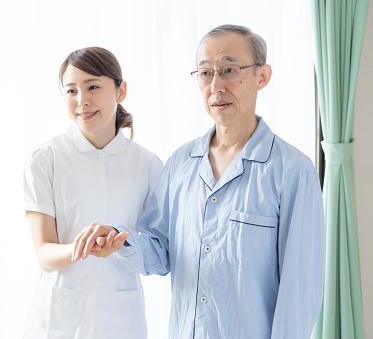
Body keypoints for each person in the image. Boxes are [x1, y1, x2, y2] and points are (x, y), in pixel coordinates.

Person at [73, 25, 325, 339]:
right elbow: (159, 252)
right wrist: (120, 239)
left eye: (229, 70)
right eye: (205, 73)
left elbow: (300, 293)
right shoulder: (180, 164)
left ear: (262, 76)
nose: (216, 85)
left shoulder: (293, 171)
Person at [23, 47, 163, 339]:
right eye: (71, 90)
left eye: (93, 87)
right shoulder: (45, 159)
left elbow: (159, 250)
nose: (82, 101)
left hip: (122, 320)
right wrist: (82, 247)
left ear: (120, 90)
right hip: (58, 321)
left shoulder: (148, 165)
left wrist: (120, 241)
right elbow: (44, 253)